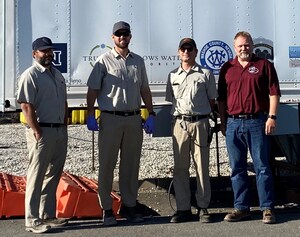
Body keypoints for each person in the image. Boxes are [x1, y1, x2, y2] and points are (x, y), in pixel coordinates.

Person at [86, 21, 155, 226]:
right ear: (112, 37)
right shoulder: (103, 61)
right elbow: (92, 90)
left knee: (131, 165)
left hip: (134, 119)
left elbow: (144, 89)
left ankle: (129, 205)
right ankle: (106, 209)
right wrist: (90, 113)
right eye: (118, 34)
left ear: (130, 37)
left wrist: (151, 113)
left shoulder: (138, 62)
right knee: (107, 164)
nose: (122, 37)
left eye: (125, 34)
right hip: (110, 118)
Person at [218, 31, 281, 224]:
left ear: (252, 45)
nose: (244, 48)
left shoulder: (264, 65)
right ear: (234, 47)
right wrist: (223, 121)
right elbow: (221, 98)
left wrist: (271, 117)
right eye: (240, 46)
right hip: (233, 123)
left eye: (247, 45)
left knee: (262, 167)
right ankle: (241, 208)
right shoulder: (227, 68)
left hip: (257, 122)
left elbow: (274, 93)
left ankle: (267, 208)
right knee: (237, 168)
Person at [17, 37, 69, 234]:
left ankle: (47, 215)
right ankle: (32, 220)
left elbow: (63, 101)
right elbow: (26, 105)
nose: (48, 54)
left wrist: (64, 125)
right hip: (42, 131)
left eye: (50, 51)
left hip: (58, 131)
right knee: (36, 176)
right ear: (34, 54)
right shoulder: (30, 75)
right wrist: (36, 130)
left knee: (52, 175)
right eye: (43, 51)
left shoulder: (56, 74)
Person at [165, 38, 218, 223]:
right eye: (183, 49)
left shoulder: (205, 73)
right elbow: (171, 99)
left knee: (202, 166)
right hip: (180, 124)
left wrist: (200, 114)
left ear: (196, 52)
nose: (186, 52)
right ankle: (183, 208)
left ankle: (203, 207)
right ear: (179, 52)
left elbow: (212, 100)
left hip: (200, 123)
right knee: (180, 168)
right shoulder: (172, 75)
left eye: (190, 49)